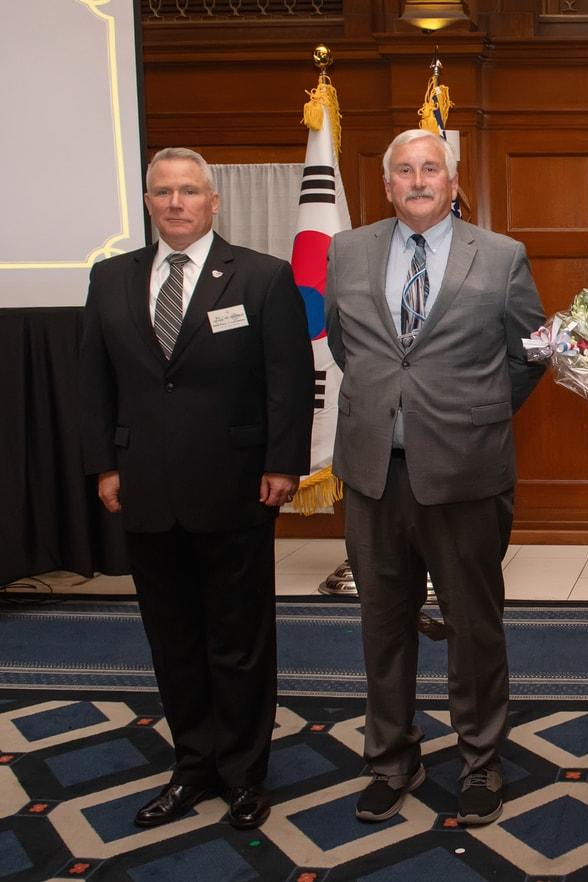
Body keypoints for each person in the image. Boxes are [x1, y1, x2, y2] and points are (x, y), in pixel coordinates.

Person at [80, 147, 313, 830]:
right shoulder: (110, 279)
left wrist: (284, 464)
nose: (176, 203)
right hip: (145, 489)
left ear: (214, 202)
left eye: (188, 191)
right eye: (163, 192)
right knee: (172, 638)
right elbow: (93, 383)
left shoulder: (263, 277)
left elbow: (288, 381)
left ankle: (244, 772)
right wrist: (104, 466)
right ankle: (192, 765)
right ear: (147, 203)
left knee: (238, 638)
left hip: (237, 486)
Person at [324, 129, 546, 826]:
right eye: (404, 171)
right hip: (371, 475)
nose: (418, 180)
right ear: (387, 185)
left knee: (473, 628)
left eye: (431, 169)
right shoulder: (347, 250)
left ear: (452, 182)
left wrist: (473, 414)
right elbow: (343, 343)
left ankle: (480, 762)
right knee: (381, 625)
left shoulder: (502, 255)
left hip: (465, 475)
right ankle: (391, 759)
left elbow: (531, 352)